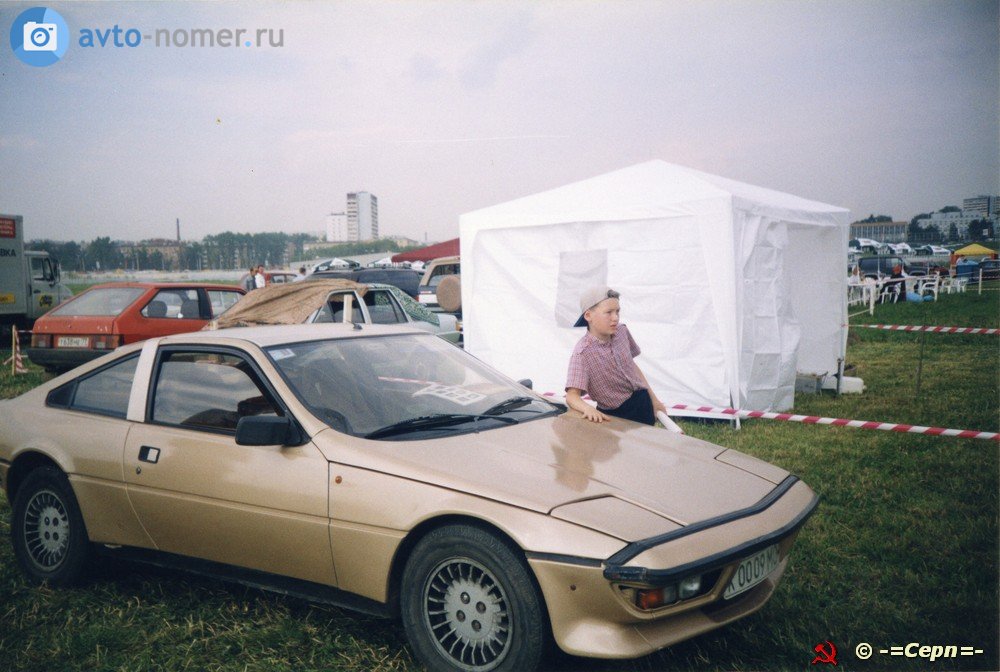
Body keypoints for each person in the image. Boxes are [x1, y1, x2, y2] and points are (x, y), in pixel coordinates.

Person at [564, 286, 666, 425]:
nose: (615, 318)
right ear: (588, 316)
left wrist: (654, 400)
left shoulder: (622, 332)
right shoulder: (582, 353)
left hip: (643, 401)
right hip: (616, 415)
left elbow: (632, 366)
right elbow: (572, 396)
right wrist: (587, 408)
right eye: (609, 312)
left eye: (617, 311)